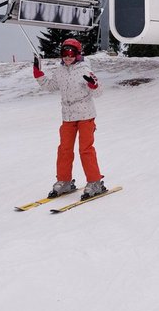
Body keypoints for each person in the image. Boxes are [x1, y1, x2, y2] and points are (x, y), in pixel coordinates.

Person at [33, 37, 106, 201]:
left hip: (86, 115)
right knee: (64, 149)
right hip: (68, 116)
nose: (68, 57)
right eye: (65, 53)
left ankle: (95, 182)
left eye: (71, 53)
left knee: (85, 149)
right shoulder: (59, 71)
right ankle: (64, 180)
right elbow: (50, 86)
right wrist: (39, 75)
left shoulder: (84, 70)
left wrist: (93, 85)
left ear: (78, 54)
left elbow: (99, 92)